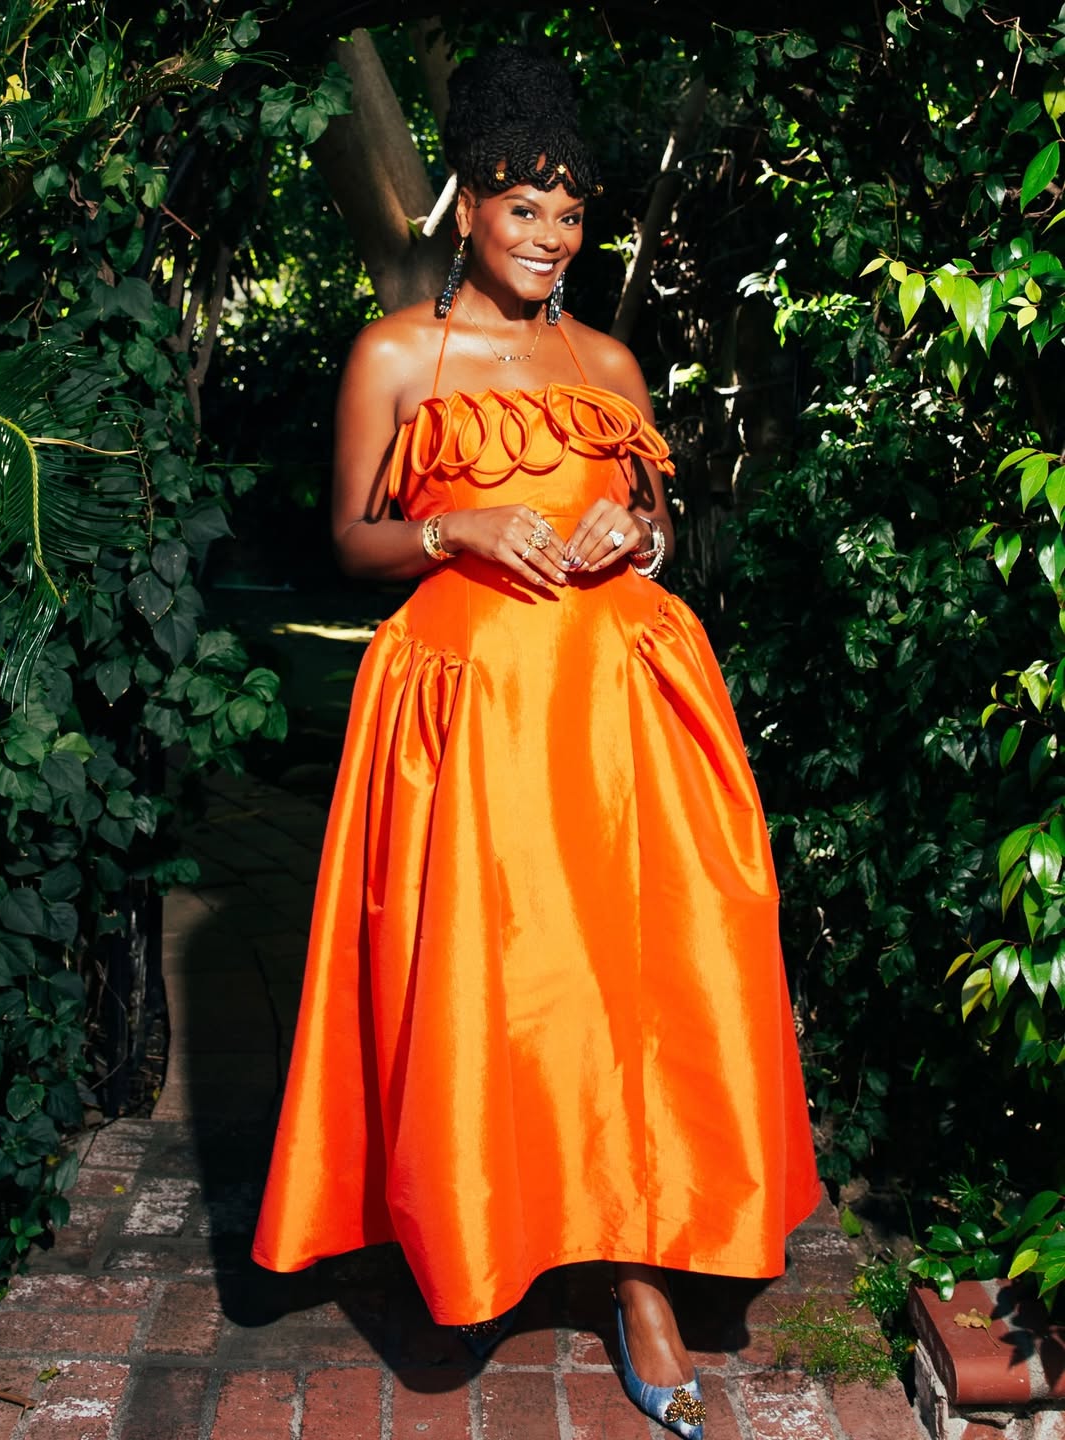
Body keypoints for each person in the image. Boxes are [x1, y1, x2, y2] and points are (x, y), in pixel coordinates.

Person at [252, 44, 819, 1440]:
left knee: (638, 983)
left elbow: (654, 518)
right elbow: (352, 541)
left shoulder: (607, 359)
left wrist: (640, 531)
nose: (551, 236)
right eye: (523, 207)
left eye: (569, 213)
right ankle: (483, 1235)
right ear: (470, 203)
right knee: (499, 982)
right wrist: (456, 525)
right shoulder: (397, 352)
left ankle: (642, 1277)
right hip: (476, 715)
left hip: (624, 712)